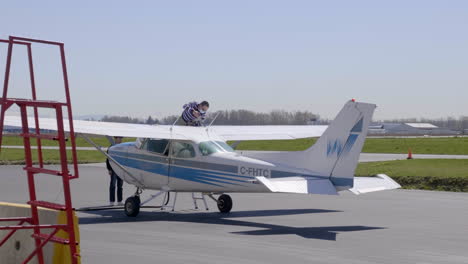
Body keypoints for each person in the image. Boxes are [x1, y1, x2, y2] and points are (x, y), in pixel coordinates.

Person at [106, 136, 124, 206]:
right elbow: (108, 159)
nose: (121, 140)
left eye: (121, 138)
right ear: (115, 139)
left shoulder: (122, 147)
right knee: (113, 185)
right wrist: (109, 169)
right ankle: (111, 201)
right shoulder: (111, 147)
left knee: (120, 185)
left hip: (120, 169)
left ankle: (120, 201)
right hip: (113, 169)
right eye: (119, 138)